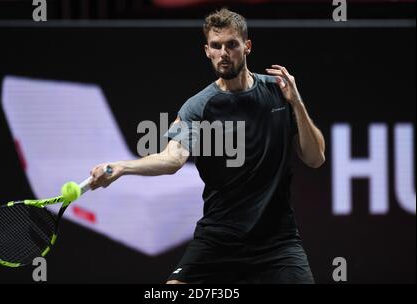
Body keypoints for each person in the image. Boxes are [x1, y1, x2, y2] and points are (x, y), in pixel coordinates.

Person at [89, 8, 325, 284]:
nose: (224, 52)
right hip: (219, 239)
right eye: (216, 46)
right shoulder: (198, 107)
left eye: (231, 44)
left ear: (246, 47)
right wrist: (121, 167)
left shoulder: (278, 92)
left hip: (277, 241)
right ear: (207, 51)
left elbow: (315, 157)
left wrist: (297, 103)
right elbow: (172, 159)